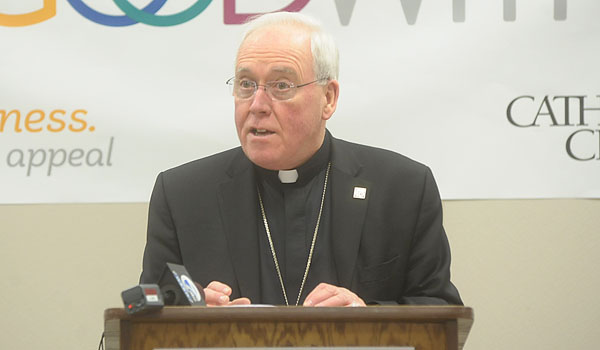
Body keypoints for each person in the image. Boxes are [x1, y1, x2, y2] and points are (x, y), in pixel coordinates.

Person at [140, 12, 462, 307]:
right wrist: (187, 317)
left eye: (281, 85)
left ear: (328, 98)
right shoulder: (181, 195)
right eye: (246, 84)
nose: (257, 104)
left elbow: (441, 311)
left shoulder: (403, 188)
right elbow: (146, 315)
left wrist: (368, 318)